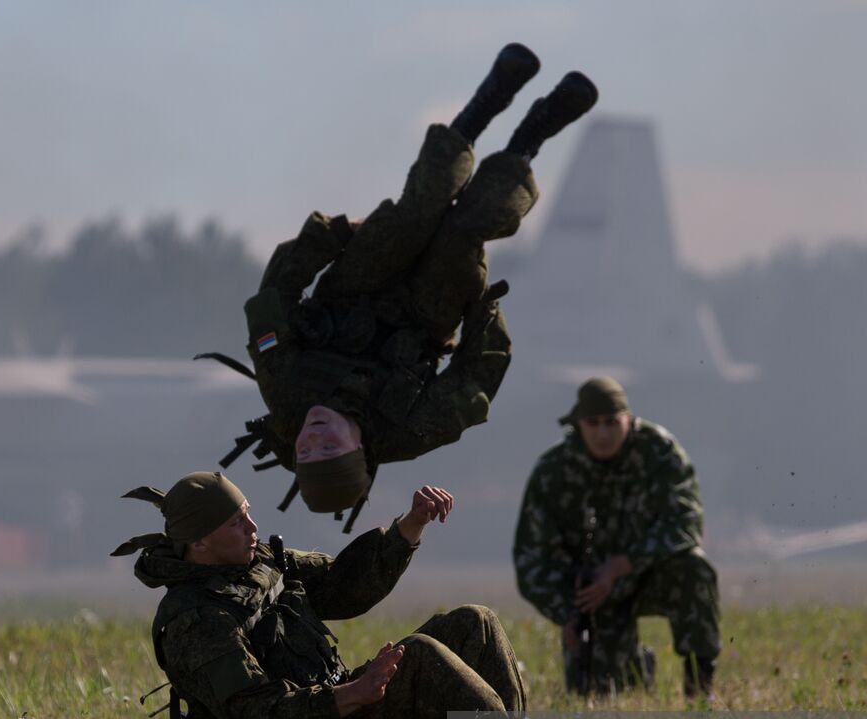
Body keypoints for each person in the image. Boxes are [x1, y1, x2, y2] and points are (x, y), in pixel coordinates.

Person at [213, 44, 598, 527]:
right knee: (465, 230)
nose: (314, 436)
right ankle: (533, 135)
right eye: (329, 447)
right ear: (360, 449)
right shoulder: (410, 431)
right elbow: (474, 383)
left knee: (421, 207)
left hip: (356, 282)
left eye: (306, 450)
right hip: (425, 314)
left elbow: (270, 302)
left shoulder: (285, 390)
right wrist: (483, 317)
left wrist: (327, 238)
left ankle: (487, 102)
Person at [111, 471, 528, 719]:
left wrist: (409, 526)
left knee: (477, 623)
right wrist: (354, 694)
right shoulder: (196, 621)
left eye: (248, 513)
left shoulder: (260, 562)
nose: (253, 527)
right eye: (236, 522)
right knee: (419, 657)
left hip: (341, 712)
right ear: (199, 542)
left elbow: (342, 587)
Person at [512, 377, 722, 697]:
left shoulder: (659, 452)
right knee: (603, 695)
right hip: (591, 597)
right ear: (578, 425)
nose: (603, 433)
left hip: (647, 574)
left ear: (629, 419)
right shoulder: (553, 472)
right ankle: (636, 665)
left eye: (612, 422)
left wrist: (624, 564)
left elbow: (685, 523)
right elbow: (531, 560)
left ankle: (700, 689)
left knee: (695, 569)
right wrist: (567, 613)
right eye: (593, 423)